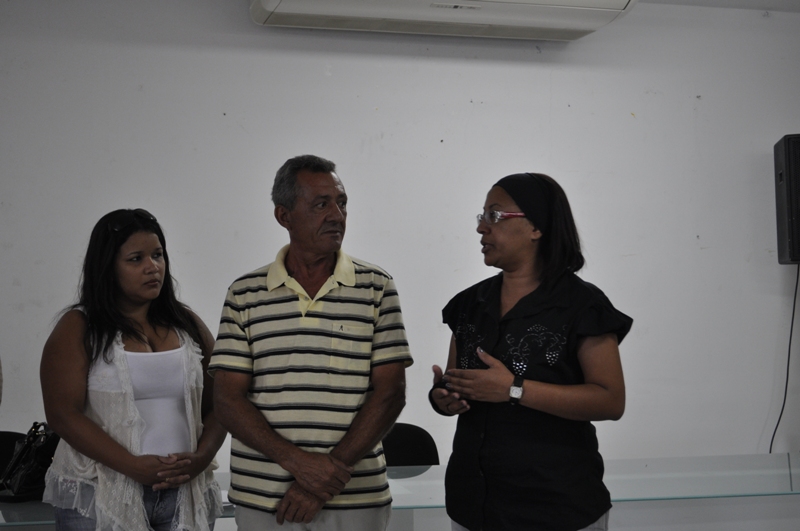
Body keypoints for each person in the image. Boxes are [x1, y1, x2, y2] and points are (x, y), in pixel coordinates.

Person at [210, 154, 413, 531]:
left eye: (342, 203)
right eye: (321, 204)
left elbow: (390, 394)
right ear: (284, 216)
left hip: (355, 499)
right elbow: (227, 399)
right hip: (264, 500)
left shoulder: (376, 287)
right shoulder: (245, 293)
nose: (337, 215)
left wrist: (322, 479)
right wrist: (299, 464)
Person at [431, 173, 633, 531]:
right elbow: (455, 380)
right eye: (481, 216)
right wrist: (444, 397)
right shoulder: (469, 303)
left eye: (494, 215)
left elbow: (610, 400)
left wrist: (513, 389)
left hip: (556, 507)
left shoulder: (582, 305)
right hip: (473, 506)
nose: (481, 227)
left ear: (537, 227)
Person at [40, 208, 226, 531]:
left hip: (184, 492)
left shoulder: (187, 324)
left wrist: (202, 457)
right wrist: (132, 466)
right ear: (107, 267)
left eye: (158, 255)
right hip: (100, 492)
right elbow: (62, 414)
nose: (152, 267)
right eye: (136, 259)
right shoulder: (78, 326)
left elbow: (222, 403)